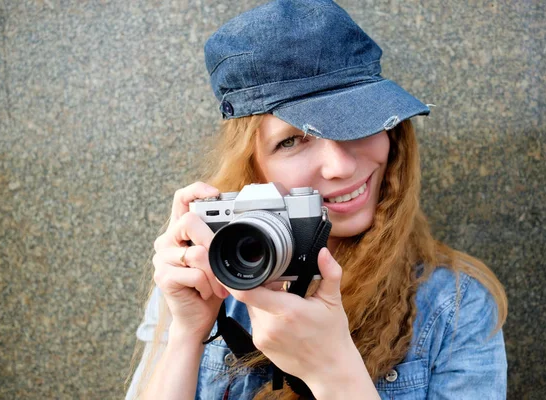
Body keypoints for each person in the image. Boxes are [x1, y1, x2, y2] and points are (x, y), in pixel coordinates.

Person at [125, 0, 508, 399]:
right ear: (254, 165)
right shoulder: (207, 273)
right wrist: (186, 335)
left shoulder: (455, 307)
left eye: (357, 120)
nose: (339, 166)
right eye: (292, 141)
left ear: (393, 133)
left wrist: (333, 370)